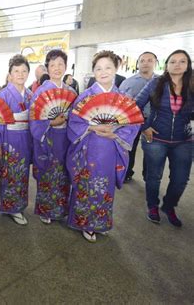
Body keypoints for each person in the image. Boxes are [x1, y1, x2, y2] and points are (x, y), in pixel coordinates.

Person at [66, 50, 139, 242]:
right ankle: (85, 222)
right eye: (98, 68)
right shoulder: (85, 97)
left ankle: (101, 221)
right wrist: (91, 127)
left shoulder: (123, 97)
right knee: (87, 183)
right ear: (93, 72)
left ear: (116, 68)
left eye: (108, 67)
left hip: (110, 148)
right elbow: (74, 122)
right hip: (89, 147)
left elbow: (133, 122)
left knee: (105, 186)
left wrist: (114, 132)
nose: (103, 71)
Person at [135, 49, 193, 227]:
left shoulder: (192, 84)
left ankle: (169, 206)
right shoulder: (156, 83)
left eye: (182, 61)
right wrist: (144, 127)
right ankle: (153, 206)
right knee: (154, 176)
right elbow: (135, 105)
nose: (177, 64)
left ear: (188, 65)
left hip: (183, 140)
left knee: (180, 179)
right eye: (173, 61)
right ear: (166, 65)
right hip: (156, 138)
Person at [0, 54, 32, 225]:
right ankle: (13, 208)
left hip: (25, 138)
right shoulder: (4, 94)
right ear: (10, 74)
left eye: (24, 71)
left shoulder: (30, 94)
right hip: (9, 138)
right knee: (10, 174)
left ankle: (15, 206)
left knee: (23, 173)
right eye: (16, 71)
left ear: (28, 73)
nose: (20, 74)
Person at [30, 50, 75, 225]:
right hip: (48, 137)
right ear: (47, 67)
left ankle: (61, 208)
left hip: (66, 137)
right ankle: (46, 209)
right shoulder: (41, 91)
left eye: (60, 64)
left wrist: (68, 119)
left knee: (64, 172)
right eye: (53, 64)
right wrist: (51, 123)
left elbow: (78, 116)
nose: (57, 68)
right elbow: (34, 118)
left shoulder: (70, 91)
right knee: (48, 172)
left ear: (66, 66)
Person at [119, 51, 158, 182]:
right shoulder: (127, 82)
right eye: (142, 61)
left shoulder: (162, 82)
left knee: (152, 151)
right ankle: (126, 173)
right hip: (132, 121)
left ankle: (148, 176)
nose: (145, 63)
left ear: (155, 63)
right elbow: (120, 104)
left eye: (150, 60)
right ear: (137, 64)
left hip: (154, 121)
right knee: (129, 148)